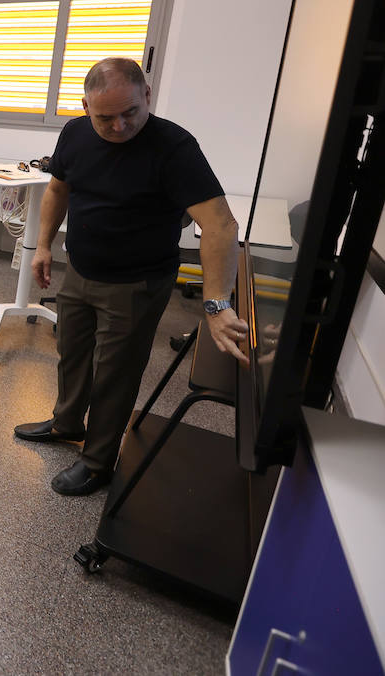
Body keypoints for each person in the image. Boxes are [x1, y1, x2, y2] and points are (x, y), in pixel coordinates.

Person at [14, 58, 248, 496]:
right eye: (105, 117)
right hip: (81, 269)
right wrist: (44, 245)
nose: (119, 126)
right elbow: (58, 188)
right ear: (85, 106)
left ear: (147, 96)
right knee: (72, 352)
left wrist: (216, 304)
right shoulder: (75, 133)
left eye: (130, 113)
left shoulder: (174, 147)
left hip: (137, 283)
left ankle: (98, 461)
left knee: (115, 374)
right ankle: (66, 423)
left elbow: (221, 225)